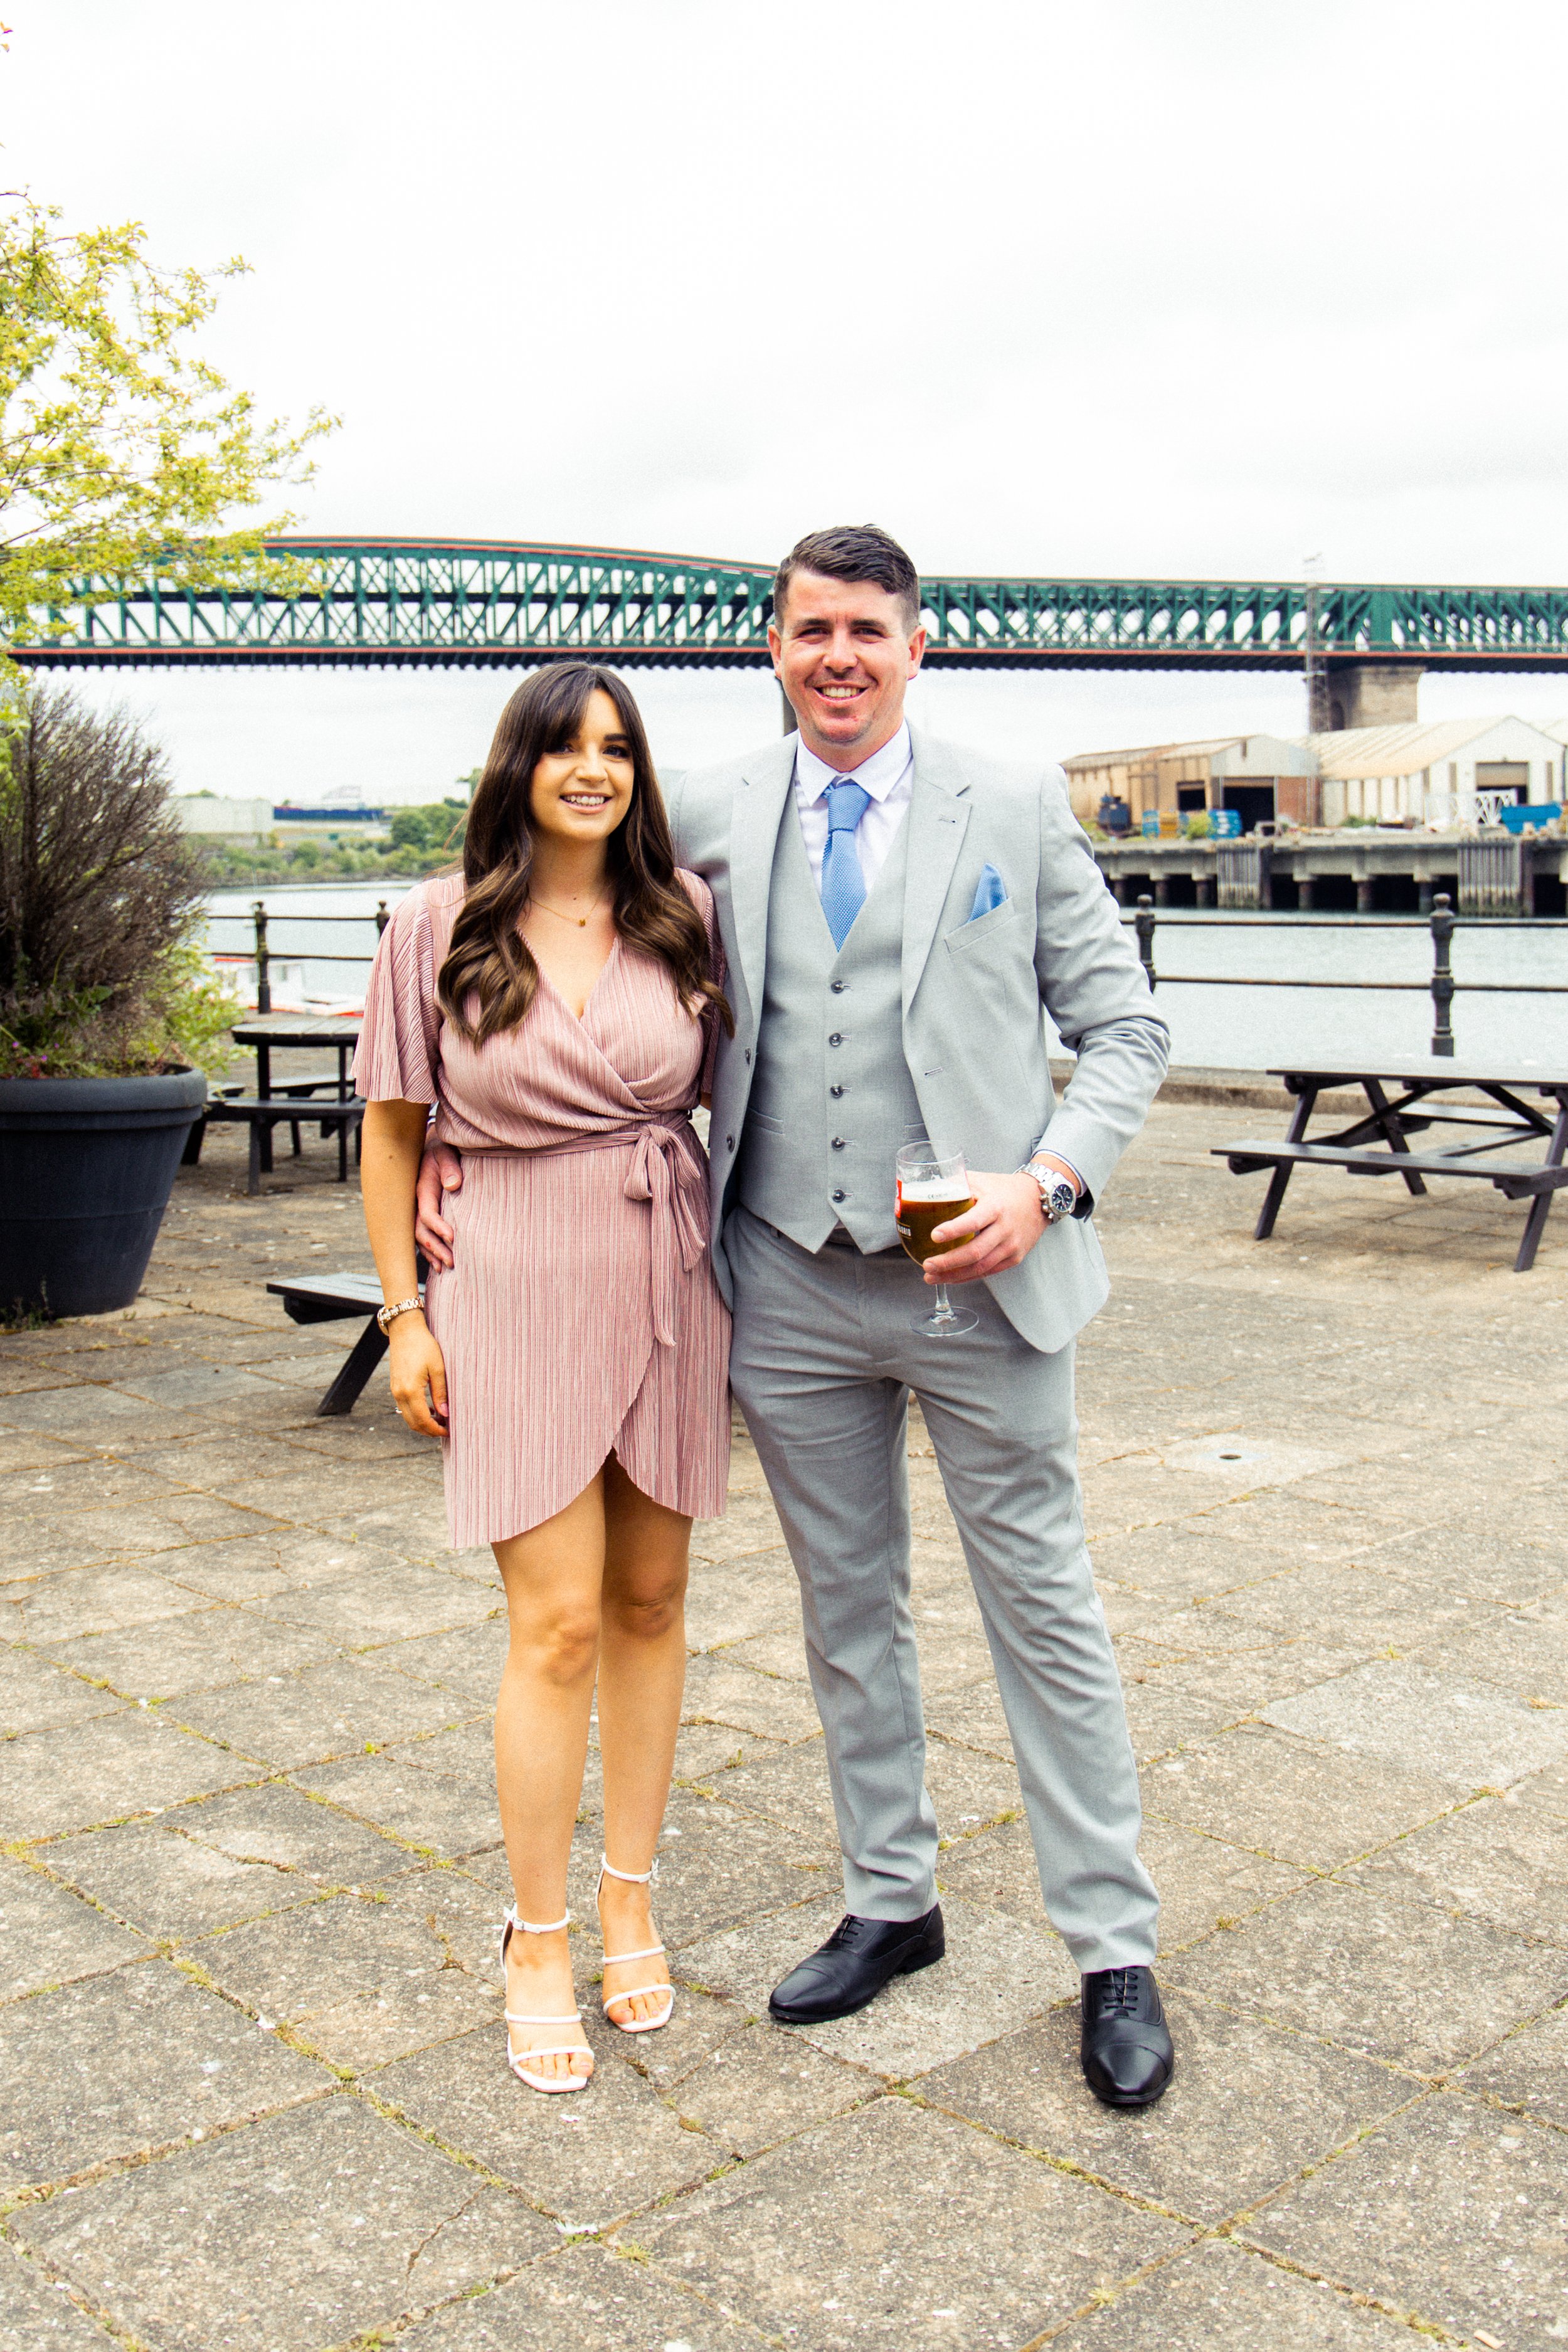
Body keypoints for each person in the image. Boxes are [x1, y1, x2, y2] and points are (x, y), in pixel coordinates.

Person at [420, 527, 1175, 2109]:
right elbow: (565, 899)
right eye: (808, 629)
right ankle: (889, 1901)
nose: (837, 655)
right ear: (773, 650)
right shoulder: (710, 810)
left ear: (919, 645)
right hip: (782, 1284)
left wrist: (1044, 1184)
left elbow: (1123, 1028)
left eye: (867, 630)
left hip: (988, 1289)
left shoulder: (1015, 809)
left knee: (1043, 1611)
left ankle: (1109, 1945)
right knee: (846, 1613)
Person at [357, 661, 731, 2096]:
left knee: (650, 1600)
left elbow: (746, 1088)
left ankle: (631, 1896)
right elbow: (394, 1134)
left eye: (618, 749)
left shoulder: (682, 916)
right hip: (507, 1280)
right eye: (565, 747)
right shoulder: (432, 925)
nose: (593, 770)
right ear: (516, 764)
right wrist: (406, 1314)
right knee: (557, 1624)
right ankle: (535, 1933)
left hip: (665, 1274)